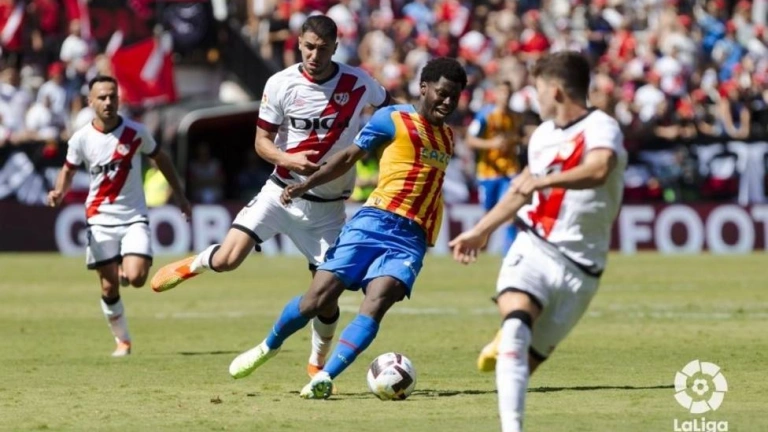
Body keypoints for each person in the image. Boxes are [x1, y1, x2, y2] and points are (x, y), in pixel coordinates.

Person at [150, 15, 391, 378]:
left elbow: (394, 112)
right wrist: (288, 159)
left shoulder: (359, 83)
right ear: (299, 44)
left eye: (323, 49)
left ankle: (316, 361)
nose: (314, 55)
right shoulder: (280, 83)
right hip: (281, 193)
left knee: (326, 299)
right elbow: (261, 143)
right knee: (228, 259)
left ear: (335, 48)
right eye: (308, 47)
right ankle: (193, 265)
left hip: (327, 210)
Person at [225, 57, 468, 400]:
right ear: (424, 88)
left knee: (377, 303)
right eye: (442, 93)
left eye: (454, 96)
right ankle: (269, 346)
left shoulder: (448, 137)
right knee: (317, 300)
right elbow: (348, 157)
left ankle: (325, 376)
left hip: (410, 239)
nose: (448, 101)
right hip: (373, 222)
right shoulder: (391, 119)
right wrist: (306, 184)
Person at [449, 51, 627, 432]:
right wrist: (482, 230)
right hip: (534, 245)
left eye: (538, 89)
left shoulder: (601, 126)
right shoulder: (542, 136)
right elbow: (521, 190)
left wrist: (544, 181)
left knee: (522, 364)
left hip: (582, 268)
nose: (535, 97)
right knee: (516, 327)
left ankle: (510, 335)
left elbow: (599, 169)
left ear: (556, 91)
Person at [47, 75, 191, 357]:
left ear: (119, 99)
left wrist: (180, 195)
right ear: (90, 102)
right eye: (101, 97)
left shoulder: (136, 132)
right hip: (99, 218)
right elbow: (68, 170)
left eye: (112, 96)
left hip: (133, 215)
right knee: (109, 286)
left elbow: (161, 158)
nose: (108, 102)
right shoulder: (81, 138)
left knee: (137, 278)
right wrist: (59, 192)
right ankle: (122, 341)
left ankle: (126, 268)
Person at [465, 80, 523, 253]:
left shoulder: (515, 117)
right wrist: (491, 144)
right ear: (496, 94)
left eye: (509, 93)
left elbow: (519, 138)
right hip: (488, 172)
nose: (506, 96)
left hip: (510, 171)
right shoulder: (485, 115)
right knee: (488, 215)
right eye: (502, 92)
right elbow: (470, 140)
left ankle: (509, 254)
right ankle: (478, 249)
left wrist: (516, 141)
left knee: (510, 212)